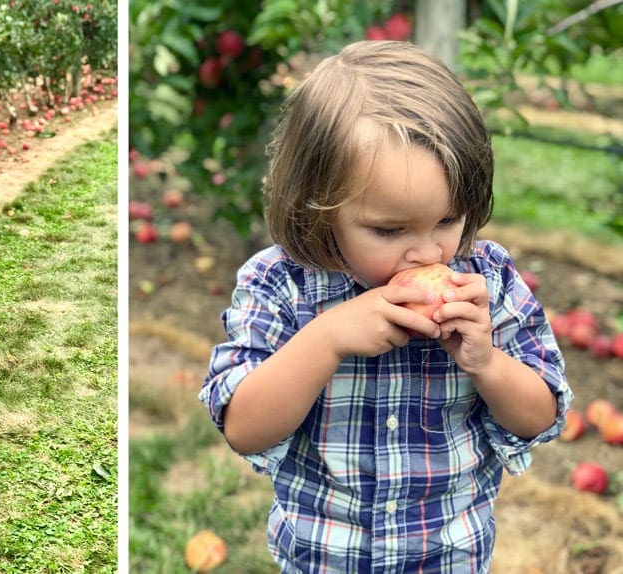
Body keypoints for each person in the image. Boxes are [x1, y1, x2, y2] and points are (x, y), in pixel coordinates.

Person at [200, 41, 571, 572]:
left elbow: (540, 416)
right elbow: (244, 427)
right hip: (323, 560)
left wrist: (486, 362)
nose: (427, 252)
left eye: (447, 220)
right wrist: (326, 338)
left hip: (450, 559)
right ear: (318, 209)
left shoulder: (486, 281)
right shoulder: (279, 286)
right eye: (389, 230)